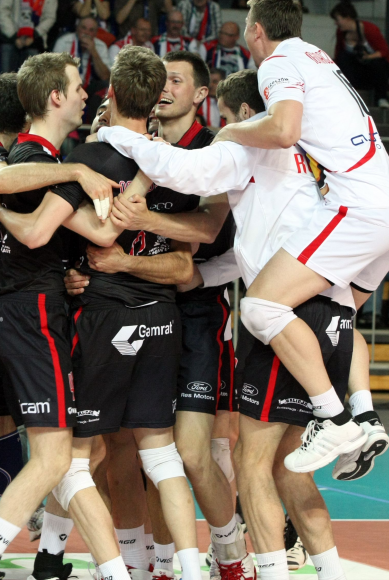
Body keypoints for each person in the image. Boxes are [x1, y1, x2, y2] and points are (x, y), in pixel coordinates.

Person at [96, 67, 389, 578]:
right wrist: (198, 274)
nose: (225, 127)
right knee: (280, 466)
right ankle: (355, 424)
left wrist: (117, 135)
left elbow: (191, 192)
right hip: (312, 307)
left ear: (239, 111)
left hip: (263, 316)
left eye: (229, 118)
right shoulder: (299, 160)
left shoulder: (239, 147)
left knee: (243, 460)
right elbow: (249, 251)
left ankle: (250, 554)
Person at [209, 0, 389, 472]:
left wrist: (229, 131)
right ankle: (366, 417)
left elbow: (284, 131)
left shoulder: (277, 62)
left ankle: (334, 419)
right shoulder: (320, 58)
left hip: (360, 207)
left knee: (260, 305)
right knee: (338, 313)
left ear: (256, 30)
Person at [0, 51, 139, 580]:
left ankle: (18, 558)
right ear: (55, 96)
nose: (86, 95)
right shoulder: (39, 160)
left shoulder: (36, 158)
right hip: (31, 313)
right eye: (78, 87)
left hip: (33, 309)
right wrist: (128, 172)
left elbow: (87, 232)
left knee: (68, 455)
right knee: (59, 457)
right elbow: (40, 228)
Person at [91, 51, 248, 578]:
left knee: (194, 453)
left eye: (176, 80)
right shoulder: (139, 145)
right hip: (139, 307)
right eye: (160, 79)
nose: (164, 88)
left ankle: (231, 554)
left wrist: (144, 224)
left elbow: (207, 230)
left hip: (197, 312)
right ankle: (155, 562)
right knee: (138, 451)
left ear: (201, 94)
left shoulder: (213, 150)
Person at [330, 1, 389, 109]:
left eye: (337, 19)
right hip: (359, 72)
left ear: (347, 17)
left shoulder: (370, 29)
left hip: (377, 70)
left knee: (378, 63)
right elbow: (338, 53)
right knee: (343, 58)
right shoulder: (340, 32)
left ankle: (382, 98)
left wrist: (368, 57)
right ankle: (347, 95)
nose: (336, 23)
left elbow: (384, 51)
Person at [52, 15, 110, 95]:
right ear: (77, 28)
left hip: (89, 87)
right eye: (84, 28)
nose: (87, 33)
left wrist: (93, 51)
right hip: (66, 84)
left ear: (96, 33)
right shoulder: (64, 42)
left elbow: (105, 76)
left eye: (91, 30)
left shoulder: (101, 46)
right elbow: (54, 71)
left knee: (105, 85)